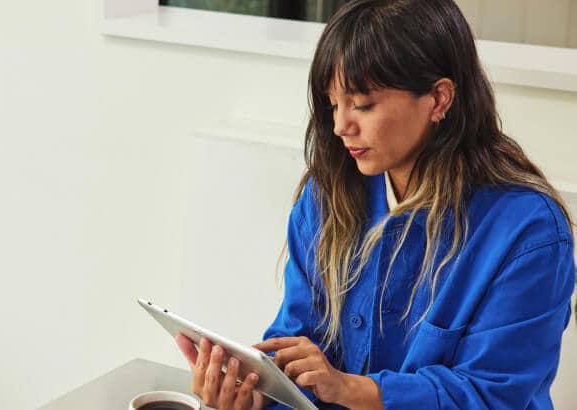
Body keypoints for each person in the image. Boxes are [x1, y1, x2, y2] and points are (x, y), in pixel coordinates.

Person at [176, 0, 576, 408]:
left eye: (362, 105)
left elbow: (493, 395)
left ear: (439, 99)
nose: (339, 126)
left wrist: (355, 390)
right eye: (333, 104)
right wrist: (258, 394)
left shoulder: (528, 232)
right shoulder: (328, 196)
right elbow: (298, 345)